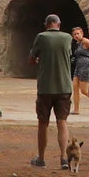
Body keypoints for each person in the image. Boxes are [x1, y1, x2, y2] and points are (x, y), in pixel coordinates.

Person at [31, 13, 76, 167]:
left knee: (43, 122)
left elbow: (31, 59)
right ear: (59, 24)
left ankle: (41, 158)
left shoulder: (41, 37)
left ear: (46, 24)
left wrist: (39, 60)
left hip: (45, 86)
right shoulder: (68, 38)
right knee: (62, 121)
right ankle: (63, 158)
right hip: (64, 86)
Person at [69, 25, 89, 116]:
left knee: (84, 90)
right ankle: (76, 109)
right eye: (74, 34)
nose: (76, 36)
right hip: (78, 67)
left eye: (78, 34)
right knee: (75, 87)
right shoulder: (78, 43)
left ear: (82, 33)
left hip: (86, 67)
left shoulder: (85, 41)